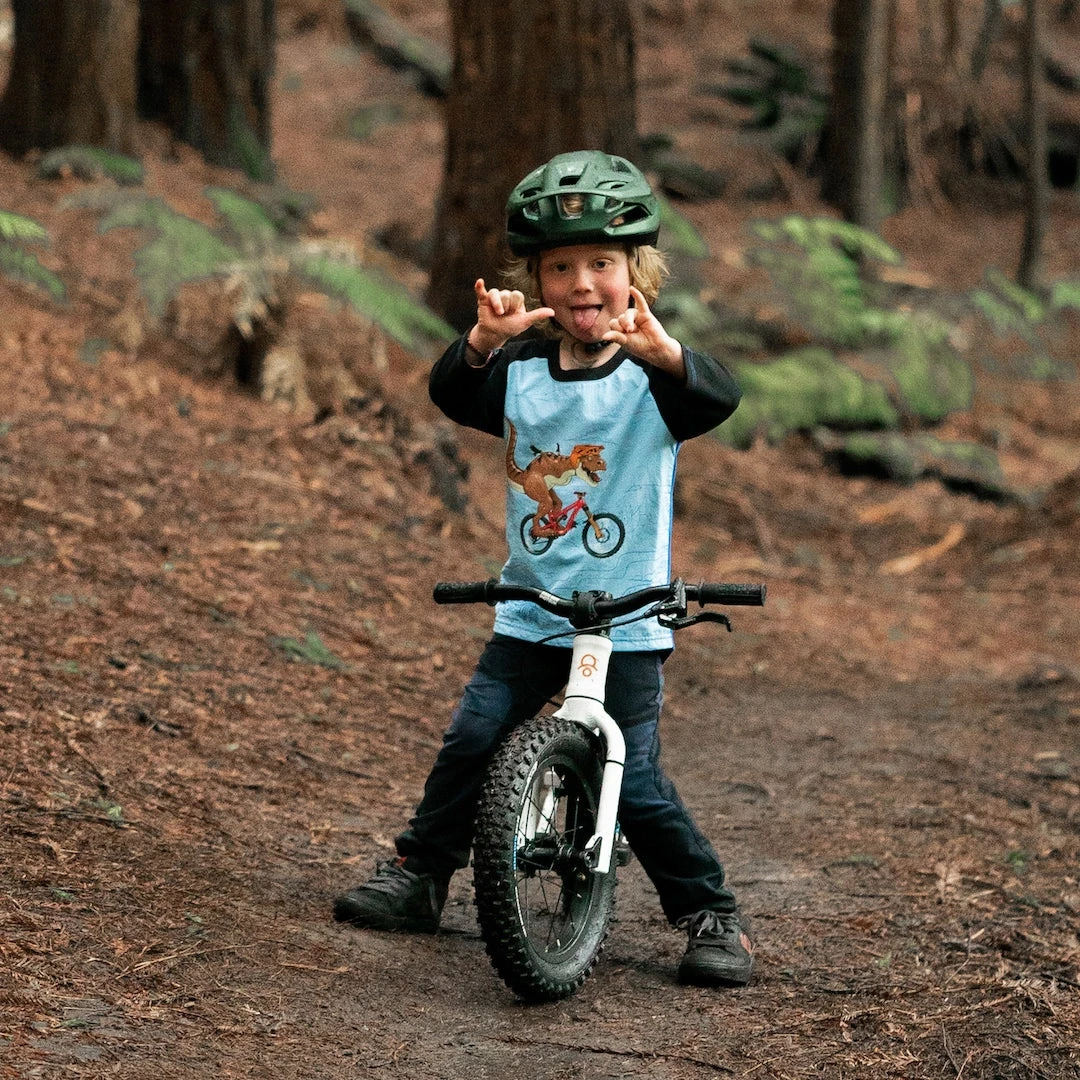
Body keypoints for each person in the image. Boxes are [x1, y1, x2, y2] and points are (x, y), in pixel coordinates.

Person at [333, 150, 753, 988]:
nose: (582, 283)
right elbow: (454, 395)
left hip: (626, 618)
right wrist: (481, 343)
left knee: (630, 778)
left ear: (638, 272)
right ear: (536, 278)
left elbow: (718, 398)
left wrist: (669, 356)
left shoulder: (655, 376)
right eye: (561, 267)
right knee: (475, 737)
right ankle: (421, 874)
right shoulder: (522, 369)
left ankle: (712, 916)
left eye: (603, 264)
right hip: (531, 609)